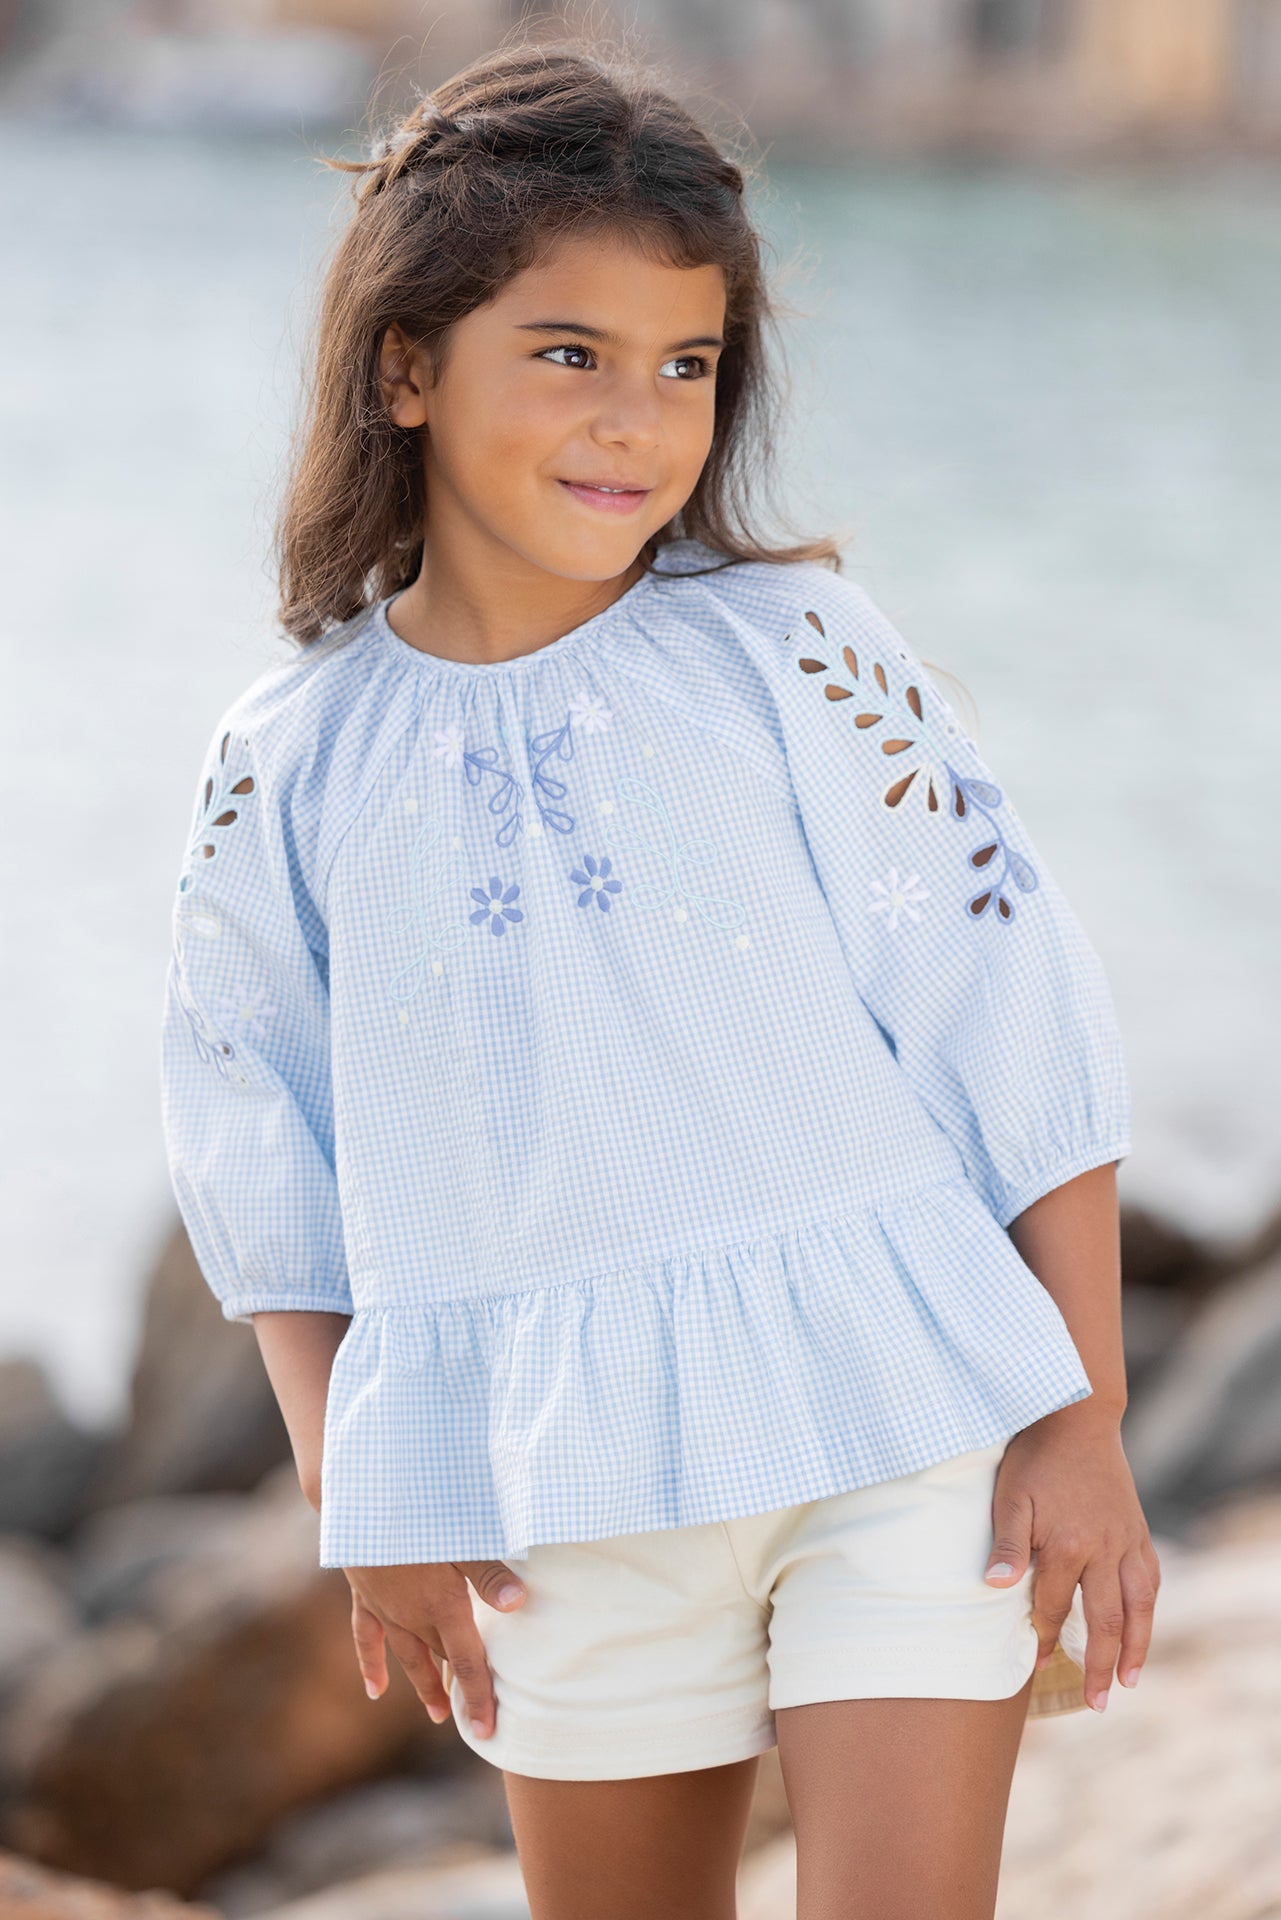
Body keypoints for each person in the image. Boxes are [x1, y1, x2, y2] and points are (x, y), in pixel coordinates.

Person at [159, 34, 1160, 1920]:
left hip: (902, 1430)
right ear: (405, 367)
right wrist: (358, 1499)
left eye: (686, 366)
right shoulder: (289, 759)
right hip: (551, 1490)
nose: (637, 421)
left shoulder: (789, 652)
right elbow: (258, 1144)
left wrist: (1083, 1414)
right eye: (570, 355)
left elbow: (1008, 1007)